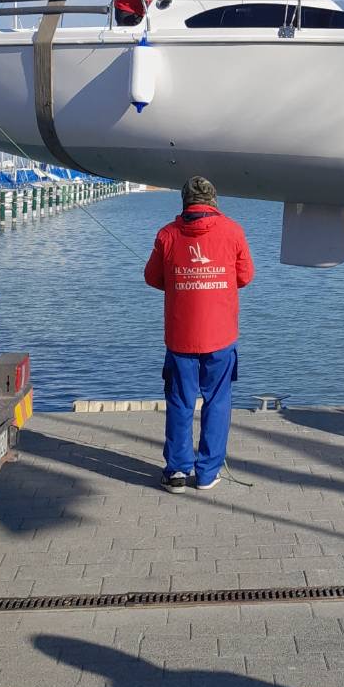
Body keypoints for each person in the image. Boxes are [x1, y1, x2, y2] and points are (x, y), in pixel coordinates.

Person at [144, 175, 254, 492]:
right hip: (220, 335)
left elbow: (152, 277)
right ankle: (207, 473)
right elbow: (245, 276)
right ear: (213, 202)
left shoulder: (167, 234)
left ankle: (177, 471)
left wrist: (181, 282)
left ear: (184, 203)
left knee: (180, 401)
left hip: (181, 336)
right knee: (217, 401)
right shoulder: (233, 231)